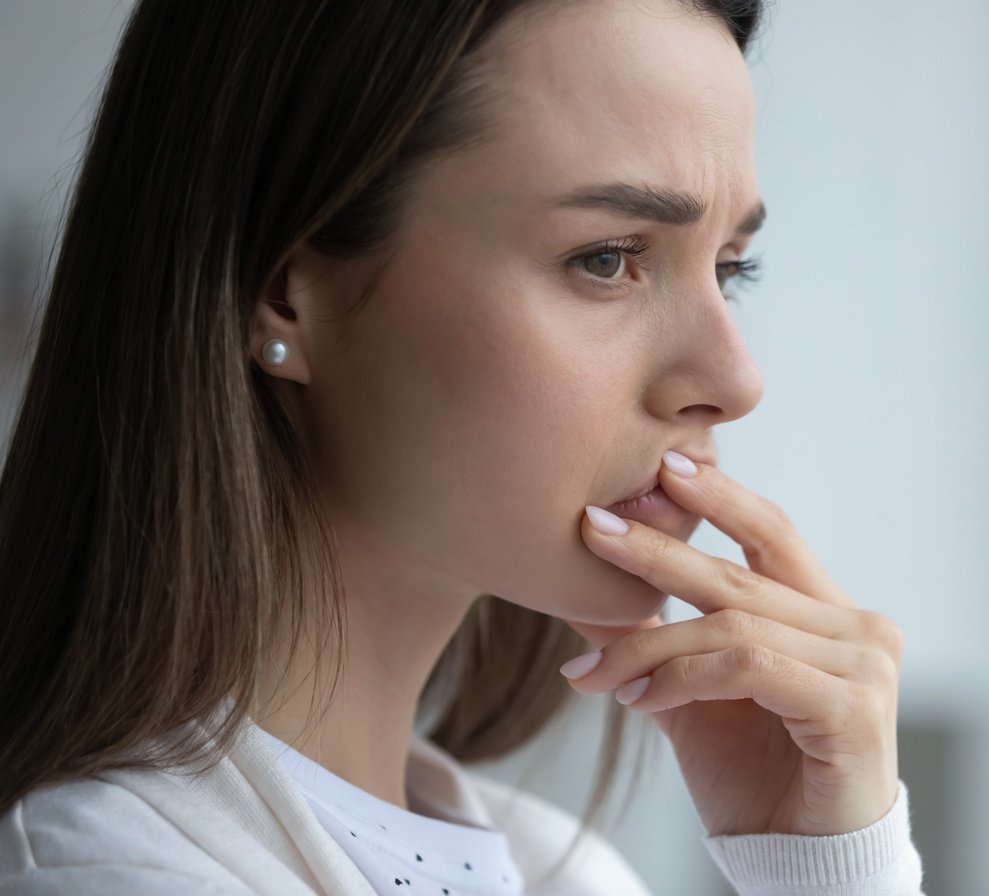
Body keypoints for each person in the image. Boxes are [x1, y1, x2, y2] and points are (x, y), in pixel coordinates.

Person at [0, 0, 926, 893]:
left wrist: (829, 873)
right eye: (607, 257)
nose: (736, 380)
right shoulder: (107, 871)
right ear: (284, 290)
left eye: (730, 269)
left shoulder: (566, 870)